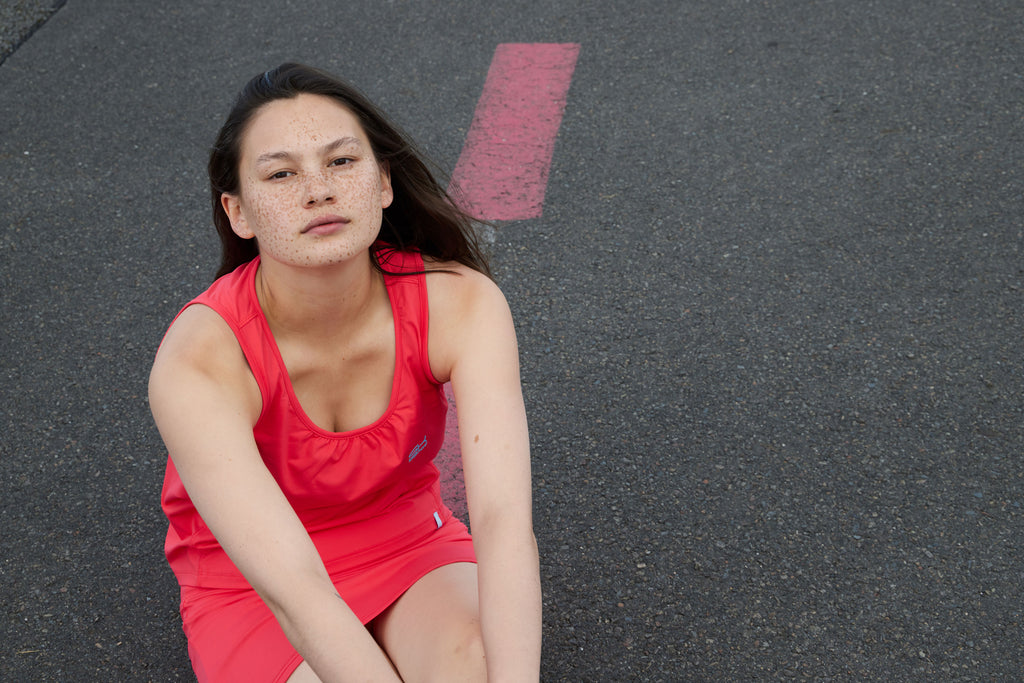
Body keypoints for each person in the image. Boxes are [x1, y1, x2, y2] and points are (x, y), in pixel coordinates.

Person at [148, 62, 541, 682]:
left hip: (409, 541)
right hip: (255, 582)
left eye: (342, 162)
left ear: (384, 182)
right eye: (280, 174)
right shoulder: (200, 359)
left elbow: (502, 518)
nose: (318, 191)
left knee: (484, 663)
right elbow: (295, 590)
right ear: (239, 213)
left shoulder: (460, 303)